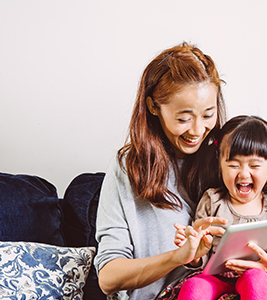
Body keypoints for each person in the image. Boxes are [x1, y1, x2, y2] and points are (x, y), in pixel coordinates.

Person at [94, 42, 229, 300]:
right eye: (183, 118)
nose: (198, 130)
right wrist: (178, 257)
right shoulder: (128, 167)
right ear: (154, 107)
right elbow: (108, 277)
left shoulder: (224, 159)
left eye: (208, 115)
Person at [174, 115, 267, 300]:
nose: (244, 173)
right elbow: (201, 260)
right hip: (216, 278)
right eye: (233, 165)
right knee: (194, 286)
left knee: (255, 279)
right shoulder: (212, 201)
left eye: (254, 165)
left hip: (262, 277)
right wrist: (194, 253)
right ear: (220, 163)